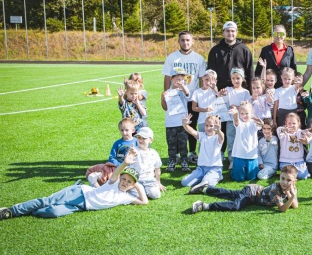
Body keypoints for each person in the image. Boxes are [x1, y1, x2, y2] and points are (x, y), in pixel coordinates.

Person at [0, 149, 148, 220]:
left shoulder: (125, 198)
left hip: (82, 206)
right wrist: (125, 163)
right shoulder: (113, 183)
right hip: (79, 194)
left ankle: (30, 210)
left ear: (132, 185)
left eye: (129, 182)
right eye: (124, 179)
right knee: (47, 201)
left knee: (52, 212)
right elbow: (117, 173)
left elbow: (144, 201)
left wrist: (137, 185)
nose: (125, 182)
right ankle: (11, 211)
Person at [162, 31, 207, 164]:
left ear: (192, 41)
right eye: (182, 40)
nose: (185, 42)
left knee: (192, 125)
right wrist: (166, 95)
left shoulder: (199, 58)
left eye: (188, 40)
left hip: (192, 98)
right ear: (179, 41)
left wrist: (200, 97)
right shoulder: (172, 58)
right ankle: (176, 154)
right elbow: (167, 77)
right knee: (176, 126)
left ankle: (192, 152)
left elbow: (201, 79)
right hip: (176, 98)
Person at [190, 165, 299, 213]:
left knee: (231, 194)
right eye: (282, 178)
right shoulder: (275, 189)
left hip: (253, 192)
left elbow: (295, 206)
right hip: (251, 193)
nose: (285, 182)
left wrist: (290, 193)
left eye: (288, 180)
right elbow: (282, 209)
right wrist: (292, 196)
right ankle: (204, 206)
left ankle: (205, 188)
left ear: (294, 181)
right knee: (236, 206)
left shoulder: (290, 188)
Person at [218, 68, 251, 167]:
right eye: (233, 78)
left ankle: (242, 157)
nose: (236, 80)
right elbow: (220, 101)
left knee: (242, 139)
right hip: (230, 120)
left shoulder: (245, 92)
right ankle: (232, 160)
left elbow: (248, 106)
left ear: (242, 79)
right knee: (231, 139)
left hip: (242, 121)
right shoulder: (228, 90)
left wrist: (238, 107)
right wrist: (220, 94)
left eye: (238, 78)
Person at [182, 114, 224, 190]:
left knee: (207, 183)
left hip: (214, 168)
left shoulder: (217, 137)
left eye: (211, 126)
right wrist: (185, 124)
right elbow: (192, 131)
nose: (208, 128)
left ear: (216, 126)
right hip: (201, 168)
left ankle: (218, 176)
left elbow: (222, 137)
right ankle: (204, 177)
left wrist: (218, 130)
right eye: (206, 125)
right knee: (184, 182)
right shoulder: (202, 135)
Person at [207, 21, 254, 90]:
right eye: (227, 31)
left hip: (240, 91)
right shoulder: (215, 51)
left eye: (232, 31)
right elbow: (211, 73)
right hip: (221, 91)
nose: (230, 33)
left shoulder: (244, 50)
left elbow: (250, 72)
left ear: (236, 32)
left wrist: (251, 91)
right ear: (223, 32)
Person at [161, 67, 191, 173]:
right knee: (171, 144)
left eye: (182, 79)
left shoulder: (183, 90)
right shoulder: (167, 92)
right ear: (171, 79)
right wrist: (163, 98)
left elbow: (188, 95)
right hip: (170, 123)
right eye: (177, 79)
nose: (179, 81)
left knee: (183, 144)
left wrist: (183, 86)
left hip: (182, 123)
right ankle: (172, 161)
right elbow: (165, 108)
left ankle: (184, 161)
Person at [229, 101, 263, 182]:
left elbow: (261, 124)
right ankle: (233, 169)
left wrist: (256, 119)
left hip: (252, 155)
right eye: (242, 113)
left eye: (247, 113)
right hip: (239, 154)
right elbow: (236, 121)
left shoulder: (253, 123)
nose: (244, 116)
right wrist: (235, 114)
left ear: (251, 113)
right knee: (238, 178)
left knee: (252, 177)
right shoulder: (239, 122)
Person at [129, 127, 165, 199]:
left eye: (144, 138)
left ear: (150, 140)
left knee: (156, 195)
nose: (140, 140)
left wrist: (158, 182)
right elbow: (127, 162)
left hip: (149, 180)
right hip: (136, 180)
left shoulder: (154, 153)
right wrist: (130, 154)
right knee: (135, 195)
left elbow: (157, 169)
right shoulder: (134, 150)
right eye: (139, 137)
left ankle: (145, 192)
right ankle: (142, 192)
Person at [277, 113, 310, 179]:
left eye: (294, 123)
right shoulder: (283, 134)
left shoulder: (299, 132)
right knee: (288, 175)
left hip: (299, 161)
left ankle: (297, 171)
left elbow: (302, 133)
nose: (291, 125)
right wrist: (284, 130)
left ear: (298, 123)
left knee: (302, 176)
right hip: (285, 161)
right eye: (289, 123)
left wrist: (306, 138)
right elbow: (279, 129)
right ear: (285, 123)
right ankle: (292, 172)